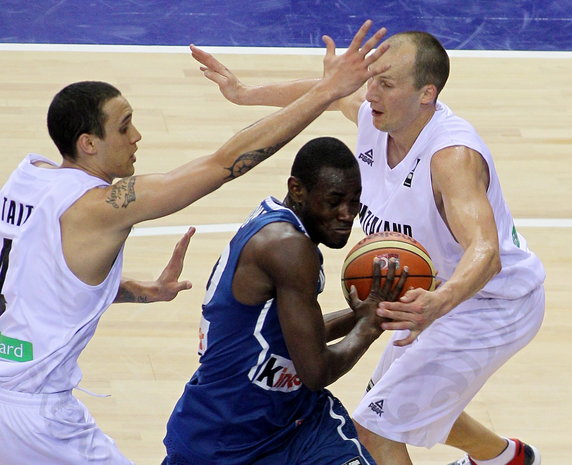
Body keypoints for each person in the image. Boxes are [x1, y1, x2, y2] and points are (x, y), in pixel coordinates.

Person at [0, 20, 390, 465]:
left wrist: (128, 290)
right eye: (125, 126)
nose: (137, 136)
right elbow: (225, 163)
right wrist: (327, 92)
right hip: (34, 412)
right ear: (88, 143)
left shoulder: (26, 180)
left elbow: (33, 271)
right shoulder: (101, 206)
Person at [193, 30, 546, 465]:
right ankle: (503, 459)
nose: (371, 92)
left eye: (386, 84)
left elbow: (486, 252)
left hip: (490, 303)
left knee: (373, 426)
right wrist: (244, 94)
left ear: (426, 94)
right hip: (431, 296)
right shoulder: (374, 118)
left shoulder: (451, 156)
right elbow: (323, 93)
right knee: (401, 400)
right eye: (372, 79)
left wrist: (440, 301)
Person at [163, 136, 407, 465]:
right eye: (334, 201)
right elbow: (316, 370)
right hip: (225, 436)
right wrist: (369, 327)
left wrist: (364, 313)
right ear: (297, 189)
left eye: (354, 201)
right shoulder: (288, 248)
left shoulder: (283, 230)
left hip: (297, 424)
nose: (347, 214)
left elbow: (293, 335)